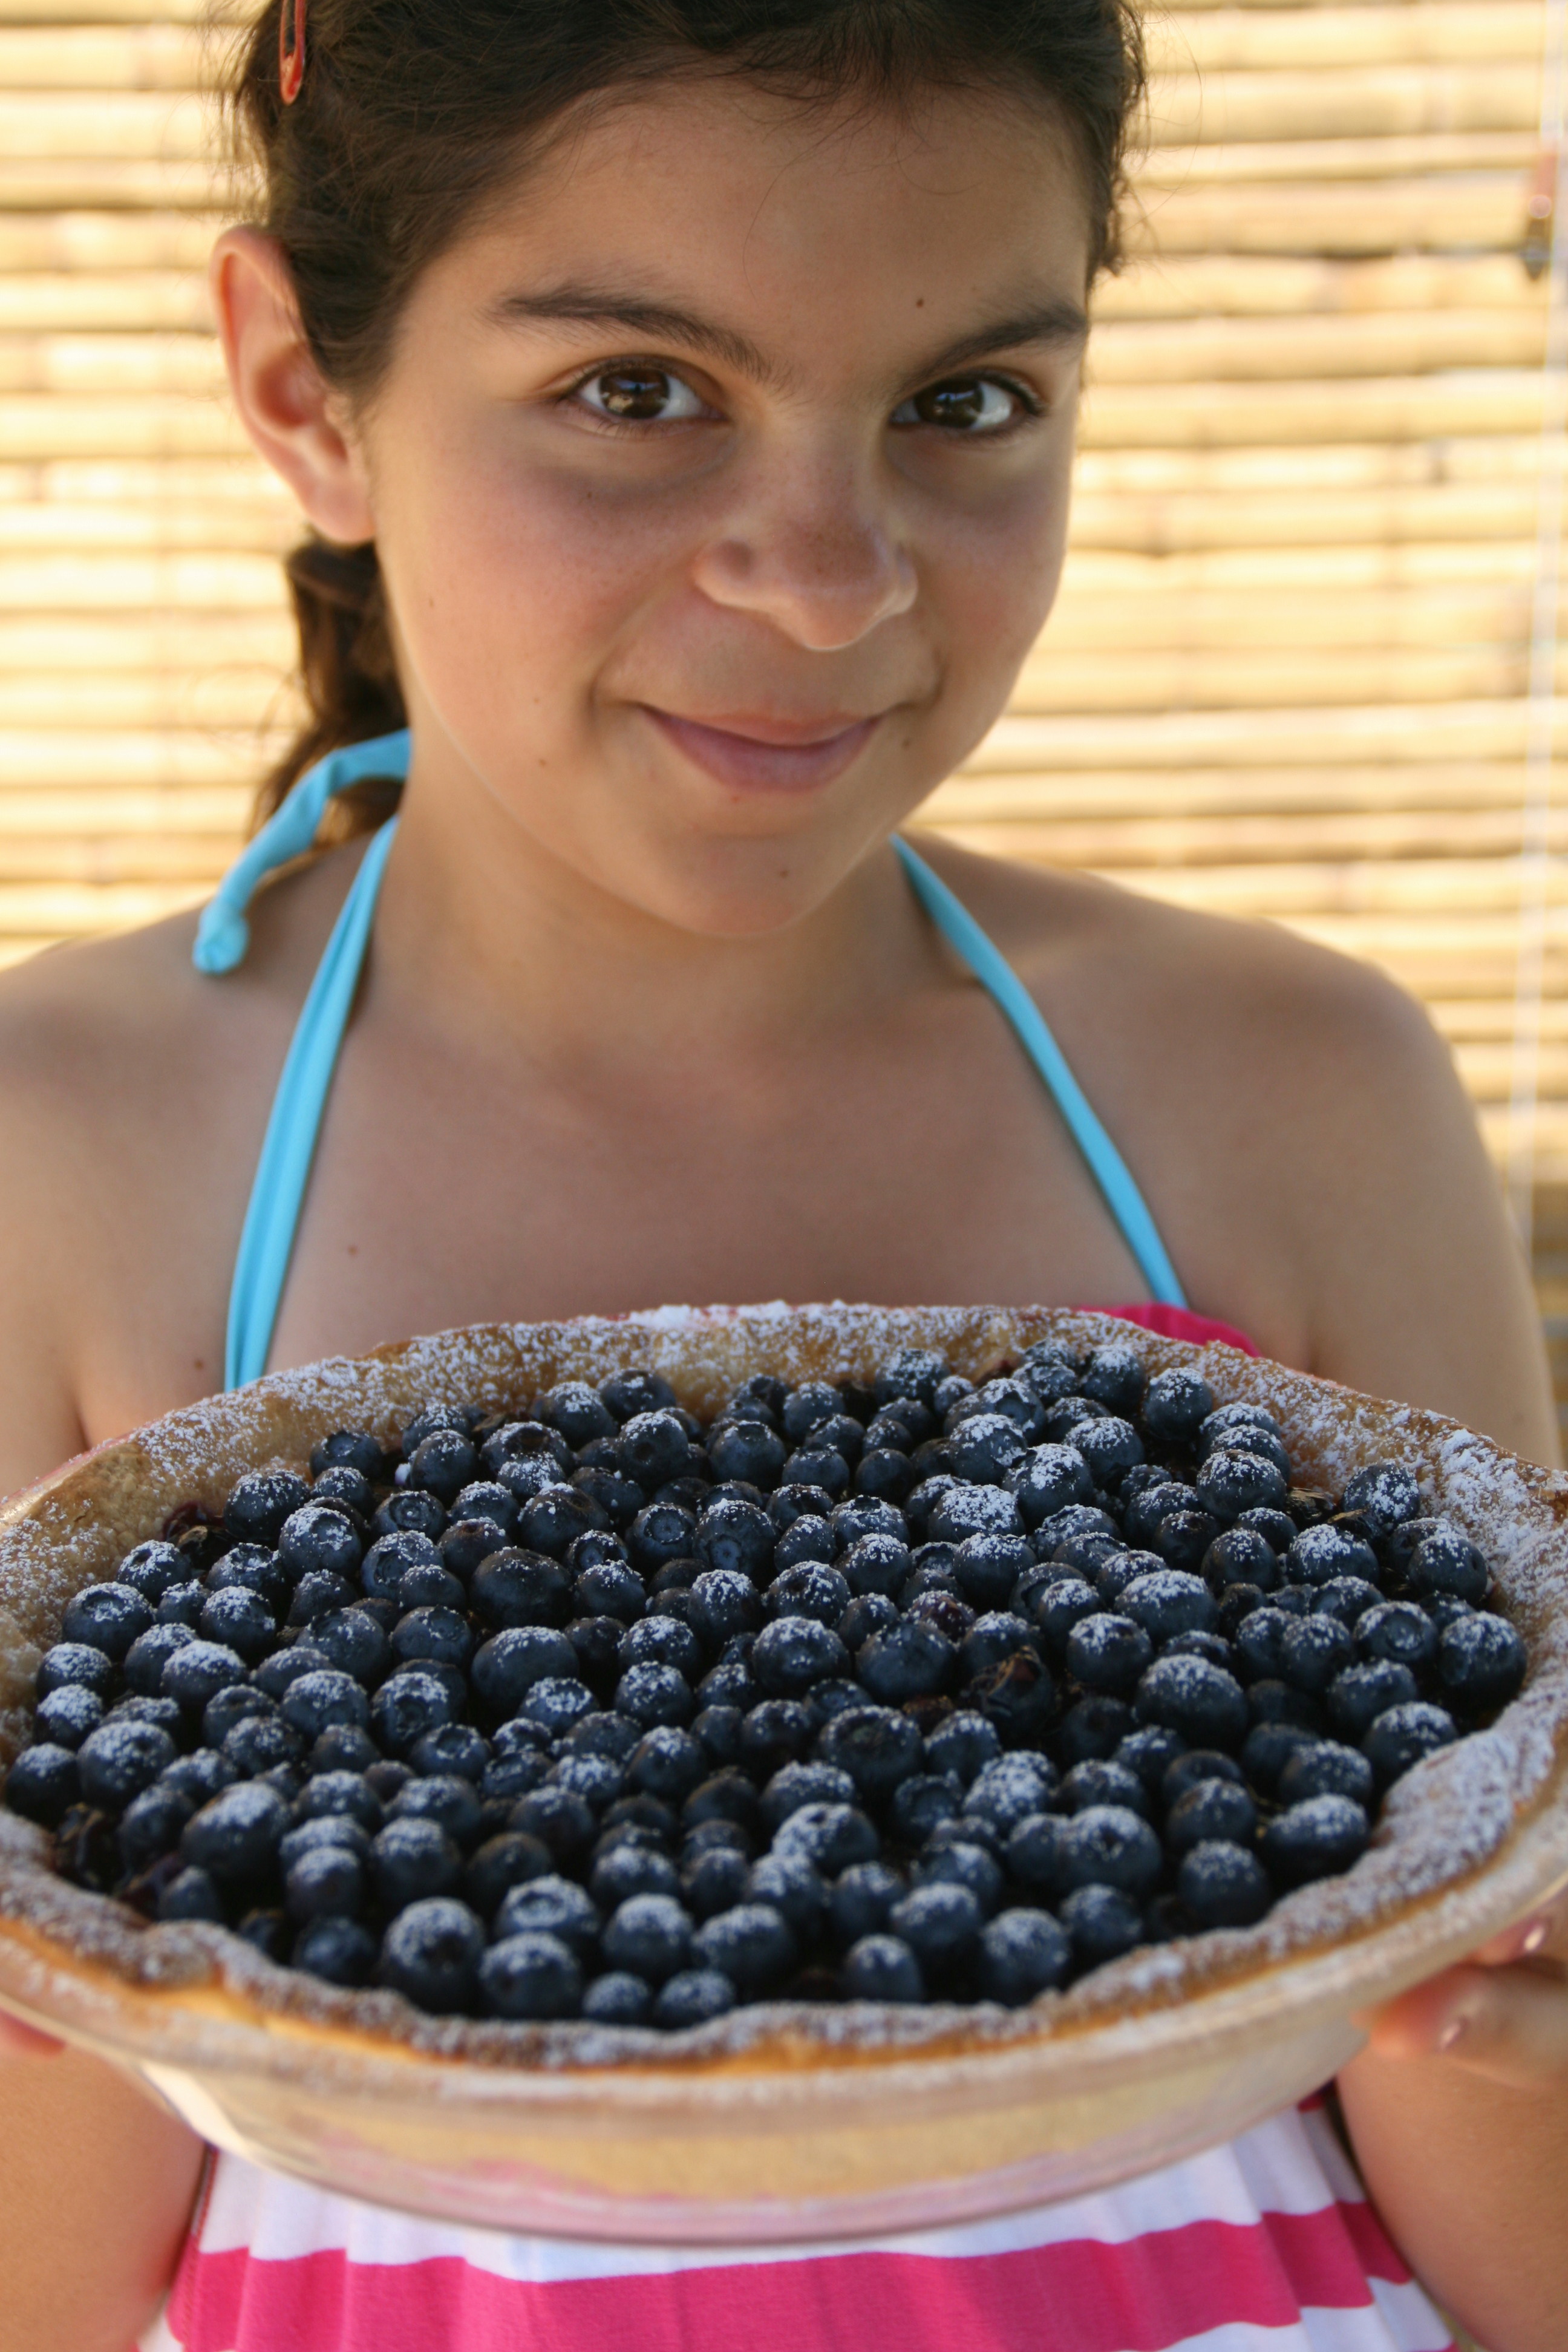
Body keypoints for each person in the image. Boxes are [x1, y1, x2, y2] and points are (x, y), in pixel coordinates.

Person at [0, 1, 1563, 2345]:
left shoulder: (1294, 1091)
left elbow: (1498, 2152)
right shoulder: (69, 1151)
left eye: (965, 405)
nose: (831, 579)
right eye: (637, 392)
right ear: (307, 390)